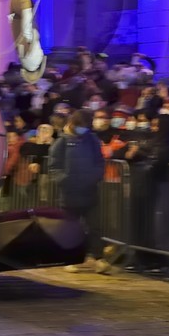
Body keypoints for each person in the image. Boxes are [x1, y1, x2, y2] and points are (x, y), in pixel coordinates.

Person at [50, 109, 107, 273]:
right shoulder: (61, 142)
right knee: (70, 227)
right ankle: (70, 258)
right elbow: (54, 167)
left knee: (95, 225)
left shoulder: (92, 140)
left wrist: (94, 177)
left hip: (89, 190)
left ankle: (98, 258)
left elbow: (99, 162)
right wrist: (65, 180)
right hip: (69, 192)